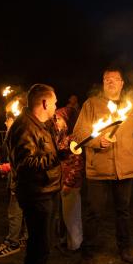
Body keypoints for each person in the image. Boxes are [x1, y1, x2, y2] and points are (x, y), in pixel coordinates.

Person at [73, 67, 133, 264]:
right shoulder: (91, 105)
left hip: (124, 169)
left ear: (122, 83)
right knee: (94, 213)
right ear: (103, 83)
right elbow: (79, 133)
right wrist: (96, 141)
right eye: (106, 79)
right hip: (98, 169)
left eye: (115, 79)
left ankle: (124, 248)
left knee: (123, 212)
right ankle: (87, 255)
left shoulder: (132, 107)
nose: (111, 82)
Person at [7, 84, 66, 264]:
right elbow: (25, 165)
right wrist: (56, 156)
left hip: (47, 189)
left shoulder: (39, 124)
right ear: (43, 103)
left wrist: (59, 149)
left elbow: (44, 152)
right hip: (36, 194)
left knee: (44, 243)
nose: (55, 106)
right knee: (37, 246)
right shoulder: (23, 127)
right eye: (53, 102)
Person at [0, 110, 28, 258]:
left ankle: (13, 241)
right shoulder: (14, 136)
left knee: (15, 212)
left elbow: (21, 161)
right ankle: (26, 237)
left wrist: (6, 168)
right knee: (22, 211)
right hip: (18, 179)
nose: (5, 122)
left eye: (9, 120)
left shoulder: (19, 137)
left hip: (20, 181)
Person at [55, 106, 84, 251]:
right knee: (64, 214)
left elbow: (77, 164)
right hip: (61, 180)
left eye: (59, 119)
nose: (56, 122)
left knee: (72, 215)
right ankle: (66, 240)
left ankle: (75, 244)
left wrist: (69, 183)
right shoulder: (60, 135)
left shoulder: (73, 139)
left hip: (70, 183)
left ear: (67, 120)